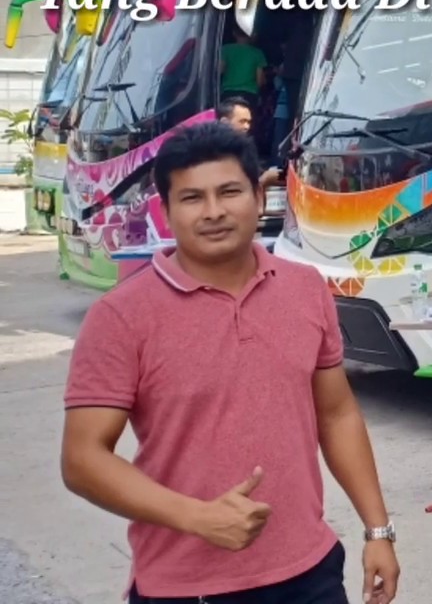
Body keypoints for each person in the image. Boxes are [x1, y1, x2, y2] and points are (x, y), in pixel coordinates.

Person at [60, 122, 400, 604]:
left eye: (229, 192)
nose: (214, 211)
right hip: (187, 588)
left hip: (311, 572)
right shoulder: (121, 317)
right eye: (192, 198)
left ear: (259, 198)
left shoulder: (305, 289)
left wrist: (377, 530)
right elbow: (82, 459)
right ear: (166, 211)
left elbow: (337, 414)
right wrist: (197, 517)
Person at [218, 96, 282, 188]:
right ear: (224, 122)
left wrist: (283, 175)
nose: (247, 127)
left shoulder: (245, 148)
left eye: (248, 122)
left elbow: (258, 174)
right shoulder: (214, 152)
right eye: (242, 121)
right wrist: (265, 180)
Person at [220, 27, 268, 107]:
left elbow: (220, 70)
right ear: (251, 34)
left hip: (228, 93)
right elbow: (259, 81)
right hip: (249, 94)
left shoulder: (225, 49)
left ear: (234, 33)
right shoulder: (257, 53)